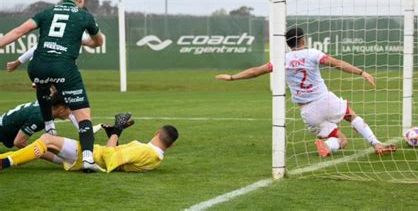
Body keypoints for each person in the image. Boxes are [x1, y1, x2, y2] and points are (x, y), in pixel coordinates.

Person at [216, 27, 395, 157]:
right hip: (324, 100)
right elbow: (337, 63)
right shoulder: (312, 54)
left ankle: (327, 144)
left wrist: (232, 77)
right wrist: (362, 72)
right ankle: (376, 143)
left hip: (307, 111)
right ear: (302, 41)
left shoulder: (282, 60)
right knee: (351, 116)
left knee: (341, 140)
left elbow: (256, 71)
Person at [0, 0, 105, 172]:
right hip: (63, 67)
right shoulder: (84, 16)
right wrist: (93, 42)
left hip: (37, 66)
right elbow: (97, 41)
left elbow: (18, 32)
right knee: (83, 116)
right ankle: (88, 159)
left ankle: (49, 126)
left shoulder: (46, 13)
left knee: (43, 86)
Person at [0, 121, 179, 173]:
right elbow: (119, 157)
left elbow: (111, 158)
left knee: (47, 139)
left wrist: (116, 132)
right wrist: (114, 135)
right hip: (93, 157)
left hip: (91, 155)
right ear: (170, 146)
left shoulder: (146, 150)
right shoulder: (155, 158)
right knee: (42, 148)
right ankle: (3, 160)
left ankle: (7, 162)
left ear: (157, 133)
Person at [0, 92, 71, 164]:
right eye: (70, 108)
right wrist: (56, 159)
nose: (71, 112)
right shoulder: (40, 117)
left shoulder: (46, 107)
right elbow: (19, 142)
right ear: (61, 109)